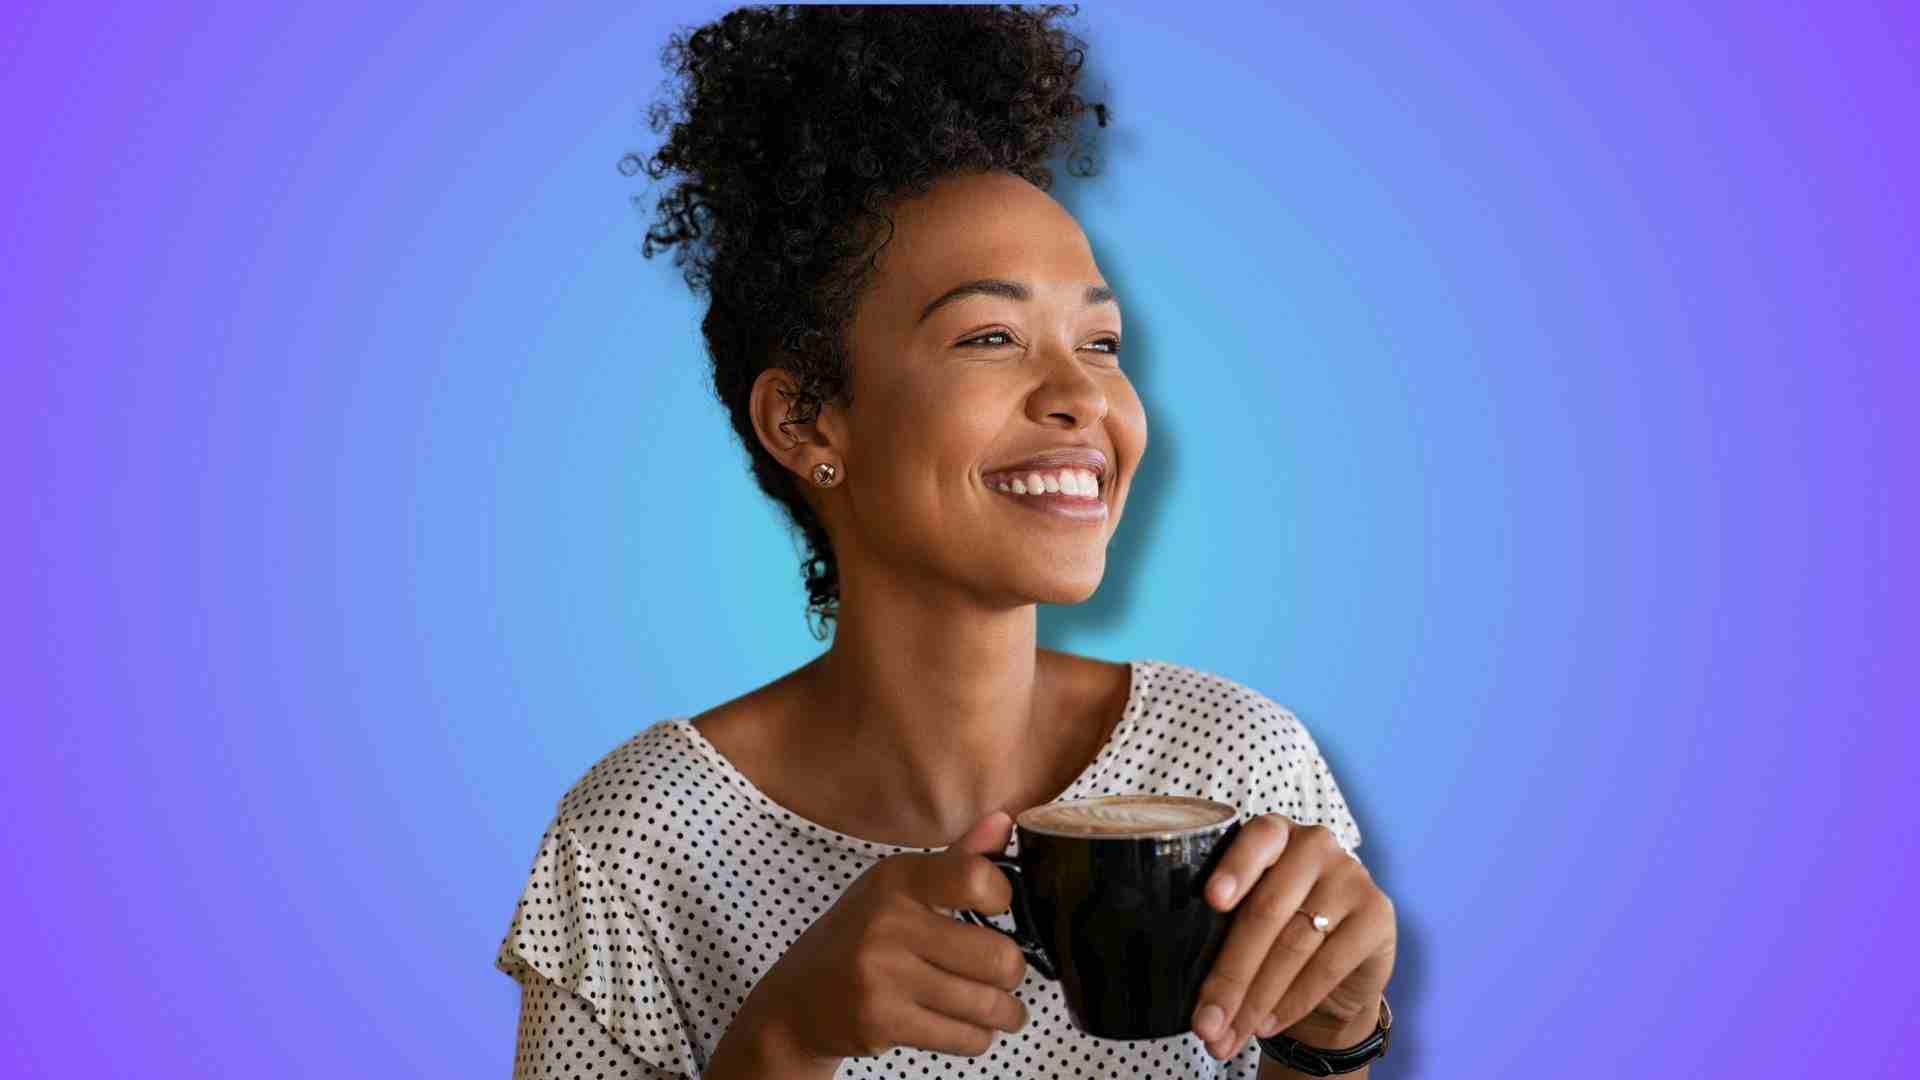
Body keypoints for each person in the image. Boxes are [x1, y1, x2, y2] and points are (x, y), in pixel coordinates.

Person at [496, 6, 1396, 1078]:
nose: (1082, 398)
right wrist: (786, 1037)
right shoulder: (635, 843)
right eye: (990, 337)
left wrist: (1336, 1039)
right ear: (806, 422)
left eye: (1102, 344)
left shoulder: (1243, 765)